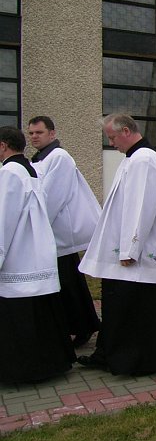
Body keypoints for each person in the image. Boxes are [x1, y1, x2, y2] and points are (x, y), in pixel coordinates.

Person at [78, 114, 156, 375]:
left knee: (132, 307)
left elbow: (140, 207)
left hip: (138, 255)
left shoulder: (143, 160)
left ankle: (132, 359)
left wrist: (130, 249)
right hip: (127, 251)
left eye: (112, 137)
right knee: (118, 304)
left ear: (126, 131)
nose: (111, 143)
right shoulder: (133, 159)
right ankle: (108, 353)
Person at [0, 126, 76, 383]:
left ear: (3, 146)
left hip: (19, 256)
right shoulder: (28, 169)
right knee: (40, 314)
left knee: (20, 316)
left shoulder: (10, 172)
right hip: (35, 253)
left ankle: (24, 371)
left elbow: (4, 219)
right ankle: (51, 363)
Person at [28, 116, 102, 348]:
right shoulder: (40, 158)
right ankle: (78, 325)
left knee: (69, 284)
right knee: (68, 283)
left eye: (39, 132)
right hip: (52, 234)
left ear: (52, 133)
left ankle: (83, 326)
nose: (34, 137)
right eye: (31, 133)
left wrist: (35, 227)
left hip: (59, 233)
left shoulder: (59, 157)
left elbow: (52, 197)